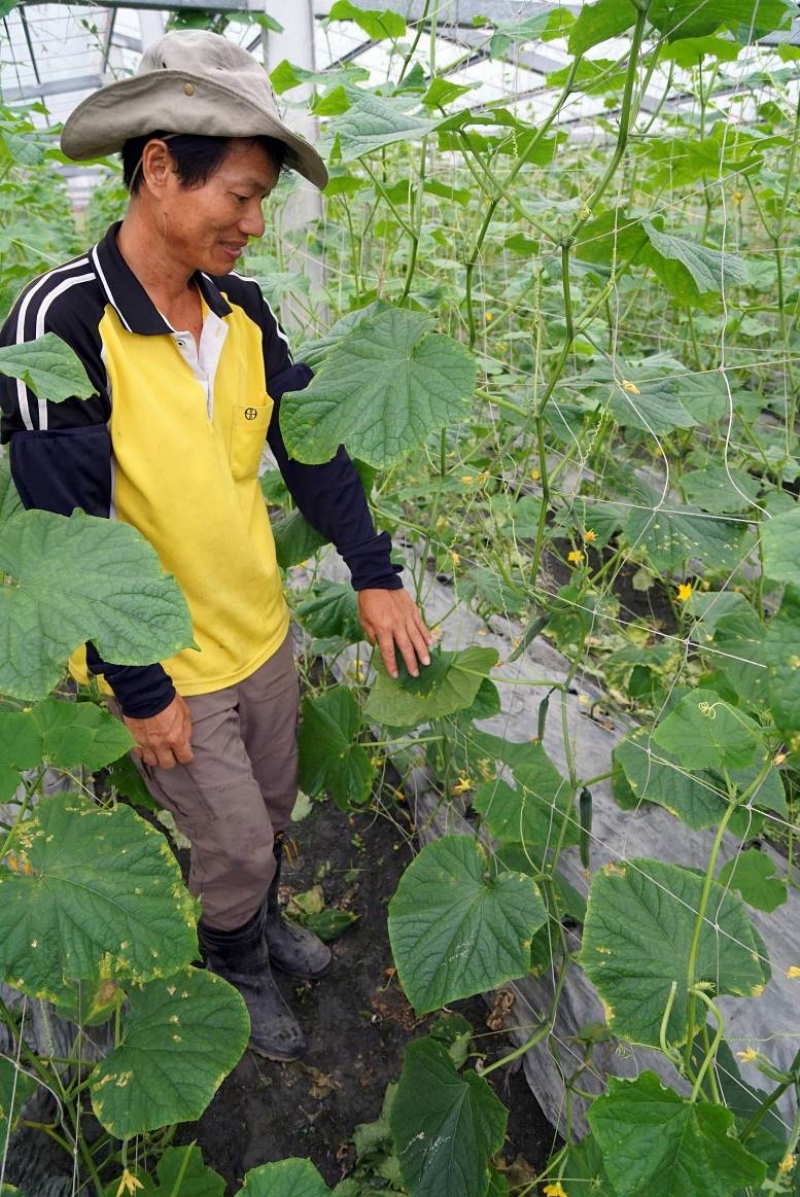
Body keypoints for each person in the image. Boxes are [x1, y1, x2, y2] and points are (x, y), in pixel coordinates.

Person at [0, 29, 432, 1061]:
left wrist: (374, 576)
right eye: (238, 195)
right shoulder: (59, 319)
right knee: (231, 836)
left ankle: (259, 922)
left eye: (259, 201)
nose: (252, 224)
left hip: (259, 629)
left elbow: (312, 454)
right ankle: (232, 961)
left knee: (271, 810)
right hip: (166, 659)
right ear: (158, 169)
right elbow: (63, 543)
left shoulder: (244, 312)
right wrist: (137, 686)